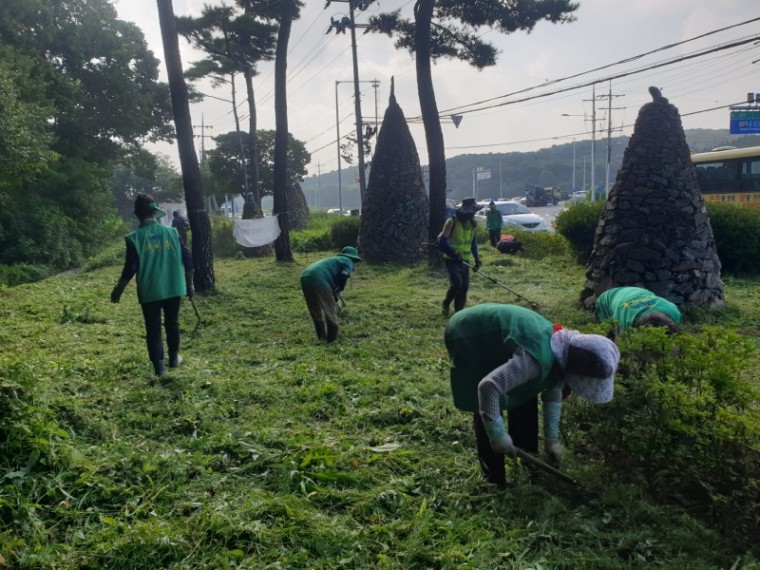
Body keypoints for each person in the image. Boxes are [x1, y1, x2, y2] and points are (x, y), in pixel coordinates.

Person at [445, 303, 620, 487]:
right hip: (469, 332)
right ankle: (494, 480)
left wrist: (551, 441)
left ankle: (529, 464)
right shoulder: (537, 358)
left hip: (502, 332)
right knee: (485, 402)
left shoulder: (564, 350)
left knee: (524, 391)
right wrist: (498, 435)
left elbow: (553, 394)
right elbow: (488, 388)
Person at [111, 194, 194, 377]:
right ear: (155, 213)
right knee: (172, 323)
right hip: (174, 287)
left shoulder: (134, 238)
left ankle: (160, 368)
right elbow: (187, 259)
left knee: (153, 328)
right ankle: (174, 358)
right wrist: (190, 284)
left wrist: (119, 289)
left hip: (150, 291)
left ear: (137, 214)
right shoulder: (172, 233)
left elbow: (130, 268)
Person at [300, 246, 362, 342]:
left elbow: (332, 281)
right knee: (330, 309)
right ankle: (332, 339)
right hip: (319, 279)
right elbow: (344, 274)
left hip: (305, 277)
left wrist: (335, 294)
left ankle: (321, 337)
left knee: (315, 308)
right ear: (353, 258)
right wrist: (341, 289)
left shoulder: (335, 260)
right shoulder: (348, 261)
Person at [438, 197, 482, 316]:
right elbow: (442, 242)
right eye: (470, 212)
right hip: (451, 259)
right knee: (457, 284)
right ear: (464, 212)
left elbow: (472, 242)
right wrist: (453, 253)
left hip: (465, 260)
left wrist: (477, 259)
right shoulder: (451, 221)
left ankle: (459, 313)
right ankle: (446, 304)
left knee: (464, 287)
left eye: (473, 212)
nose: (472, 215)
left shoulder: (472, 223)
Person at [595, 286, 681, 336]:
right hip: (610, 296)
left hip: (638, 293)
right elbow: (622, 338)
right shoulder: (626, 319)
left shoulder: (673, 312)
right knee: (610, 333)